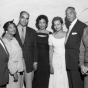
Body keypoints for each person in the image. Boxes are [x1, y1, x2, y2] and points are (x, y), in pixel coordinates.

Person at [65, 6, 87, 88]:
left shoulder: (82, 26)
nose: (68, 15)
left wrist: (82, 64)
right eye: (67, 14)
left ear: (75, 13)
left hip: (77, 64)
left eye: (70, 13)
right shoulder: (70, 27)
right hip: (69, 64)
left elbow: (85, 46)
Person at [15, 11, 38, 88]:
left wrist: (35, 62)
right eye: (23, 17)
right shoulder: (13, 30)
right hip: (16, 64)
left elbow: (35, 47)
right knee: (17, 85)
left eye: (27, 18)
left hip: (29, 64)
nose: (24, 20)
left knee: (29, 86)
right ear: (19, 18)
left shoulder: (32, 32)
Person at [2, 20, 24, 88]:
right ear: (6, 30)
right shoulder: (5, 40)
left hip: (18, 70)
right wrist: (14, 72)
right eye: (10, 27)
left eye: (14, 27)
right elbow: (8, 58)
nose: (13, 29)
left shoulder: (13, 39)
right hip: (12, 71)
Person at [48, 17, 69, 88]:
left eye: (58, 24)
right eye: (55, 25)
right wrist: (51, 65)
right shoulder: (51, 36)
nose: (56, 26)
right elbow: (50, 51)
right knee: (55, 80)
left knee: (64, 80)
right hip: (55, 61)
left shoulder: (67, 34)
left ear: (62, 24)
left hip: (65, 60)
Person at [33, 15, 51, 88]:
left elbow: (52, 49)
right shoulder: (34, 33)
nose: (42, 24)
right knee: (37, 81)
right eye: (40, 22)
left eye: (44, 22)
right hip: (36, 60)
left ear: (46, 24)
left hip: (46, 61)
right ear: (37, 23)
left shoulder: (50, 34)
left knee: (46, 80)